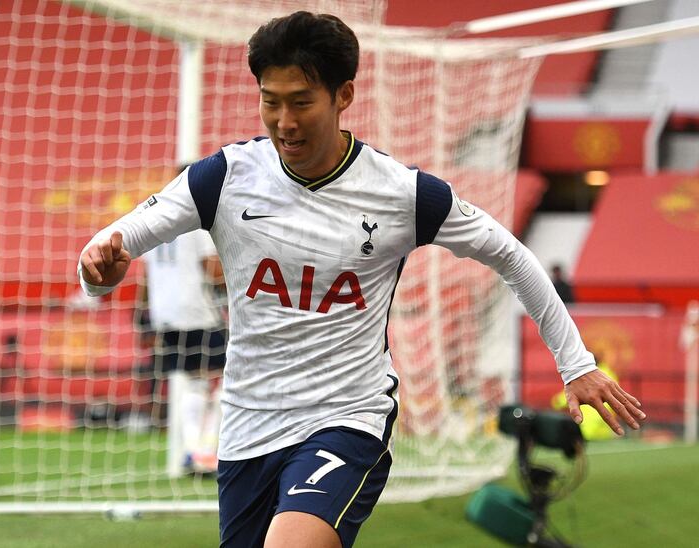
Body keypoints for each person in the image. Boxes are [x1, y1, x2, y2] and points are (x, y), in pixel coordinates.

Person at [78, 11, 646, 548]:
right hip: (249, 425)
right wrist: (97, 274)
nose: (285, 122)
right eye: (270, 103)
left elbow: (513, 257)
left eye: (301, 102)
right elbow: (110, 250)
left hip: (346, 417)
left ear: (343, 95)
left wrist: (576, 365)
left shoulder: (404, 193)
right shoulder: (224, 177)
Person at [141, 227, 227, 473]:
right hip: (196, 310)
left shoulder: (155, 220)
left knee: (193, 380)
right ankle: (207, 450)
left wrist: (144, 314)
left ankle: (192, 450)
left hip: (165, 312)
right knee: (224, 376)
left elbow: (146, 276)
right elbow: (211, 267)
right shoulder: (195, 221)